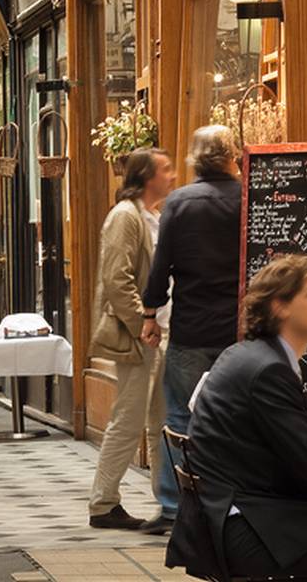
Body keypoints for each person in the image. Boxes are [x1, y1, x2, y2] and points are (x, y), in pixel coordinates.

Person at [166, 255, 307, 580]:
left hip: (231, 516)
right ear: (279, 307)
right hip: (250, 527)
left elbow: (298, 448)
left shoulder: (250, 355)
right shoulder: (268, 370)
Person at [140, 124, 242, 536]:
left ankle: (173, 506)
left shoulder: (179, 203)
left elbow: (161, 264)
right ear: (233, 154)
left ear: (194, 159)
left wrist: (151, 312)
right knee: (235, 417)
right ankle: (230, 501)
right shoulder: (249, 198)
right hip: (239, 330)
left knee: (181, 416)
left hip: (191, 327)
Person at [88, 148, 176, 530]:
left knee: (160, 420)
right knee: (128, 419)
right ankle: (103, 503)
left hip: (158, 332)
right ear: (146, 176)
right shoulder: (124, 217)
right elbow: (117, 278)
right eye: (166, 169)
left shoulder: (152, 215)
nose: (173, 175)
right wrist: (143, 320)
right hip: (140, 335)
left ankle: (167, 503)